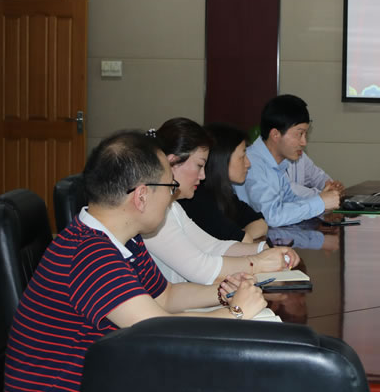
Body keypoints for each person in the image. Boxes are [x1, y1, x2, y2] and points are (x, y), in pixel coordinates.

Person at [2, 131, 268, 392]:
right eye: (169, 187)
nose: (172, 196)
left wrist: (222, 292)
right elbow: (160, 337)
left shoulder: (120, 239)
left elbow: (166, 296)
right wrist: (236, 313)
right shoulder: (90, 256)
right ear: (141, 196)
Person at [143, 118, 299, 284]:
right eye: (199, 165)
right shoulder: (152, 210)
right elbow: (201, 268)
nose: (203, 175)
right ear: (171, 162)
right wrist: (259, 262)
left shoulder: (173, 207)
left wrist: (265, 249)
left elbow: (213, 246)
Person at [235, 94, 341, 227]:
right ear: (275, 134)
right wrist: (320, 202)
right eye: (299, 134)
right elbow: (271, 216)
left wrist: (321, 199)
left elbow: (290, 201)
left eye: (305, 134)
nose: (304, 142)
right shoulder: (252, 164)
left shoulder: (277, 164)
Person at [179, 122, 268, 242]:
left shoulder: (222, 193)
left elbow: (260, 223)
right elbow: (239, 238)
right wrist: (243, 238)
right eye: (242, 157)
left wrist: (243, 238)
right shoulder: (197, 197)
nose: (248, 163)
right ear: (221, 159)